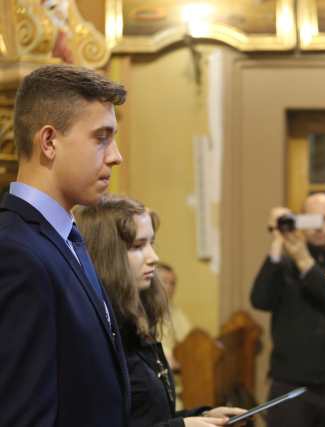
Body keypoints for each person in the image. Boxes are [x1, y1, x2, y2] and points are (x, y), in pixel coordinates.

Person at [0, 64, 129, 426]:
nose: (116, 155)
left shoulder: (63, 237)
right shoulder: (16, 253)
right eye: (101, 137)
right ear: (49, 142)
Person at [75, 195, 246, 427]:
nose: (153, 258)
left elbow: (149, 416)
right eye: (138, 246)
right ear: (106, 256)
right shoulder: (95, 331)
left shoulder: (132, 322)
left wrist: (202, 416)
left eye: (151, 244)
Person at [250, 192, 325, 427]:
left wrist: (305, 262)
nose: (318, 227)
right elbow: (259, 300)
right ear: (300, 222)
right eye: (311, 220)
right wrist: (277, 241)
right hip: (289, 388)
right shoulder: (283, 266)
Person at [157, 262, 193, 369]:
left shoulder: (173, 310)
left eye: (172, 283)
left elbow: (189, 337)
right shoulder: (143, 312)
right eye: (164, 282)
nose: (169, 287)